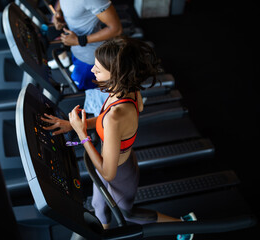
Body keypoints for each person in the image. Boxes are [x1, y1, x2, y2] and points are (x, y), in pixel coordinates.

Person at [41, 36, 196, 240]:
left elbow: (107, 173)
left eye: (98, 68)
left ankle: (182, 226)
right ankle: (102, 236)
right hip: (118, 160)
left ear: (116, 74)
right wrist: (72, 124)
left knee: (128, 215)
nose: (92, 71)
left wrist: (82, 134)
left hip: (120, 175)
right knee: (98, 205)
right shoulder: (126, 89)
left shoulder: (117, 116)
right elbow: (103, 119)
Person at [49, 0, 122, 90]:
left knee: (83, 92)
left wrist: (80, 40)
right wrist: (58, 13)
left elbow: (116, 29)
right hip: (76, 49)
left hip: (90, 58)